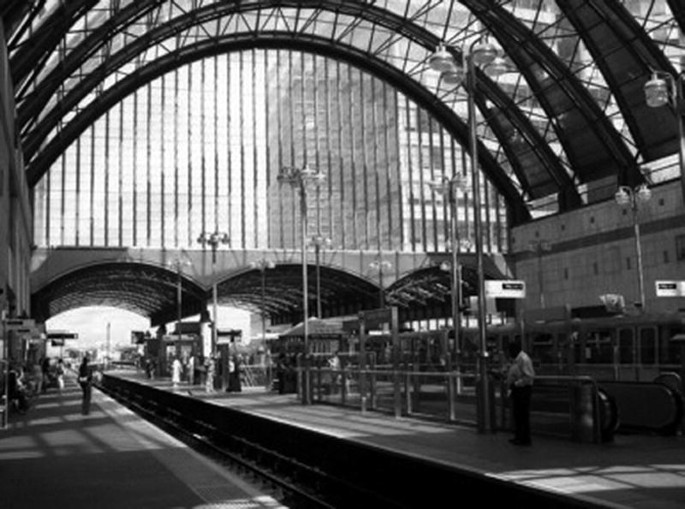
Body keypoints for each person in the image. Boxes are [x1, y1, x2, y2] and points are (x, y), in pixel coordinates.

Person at [505, 338, 535, 446]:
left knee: (523, 414)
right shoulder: (516, 360)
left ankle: (525, 438)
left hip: (523, 390)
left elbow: (529, 376)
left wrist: (517, 383)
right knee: (517, 414)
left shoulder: (524, 359)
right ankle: (519, 436)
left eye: (509, 351)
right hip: (517, 389)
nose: (508, 353)